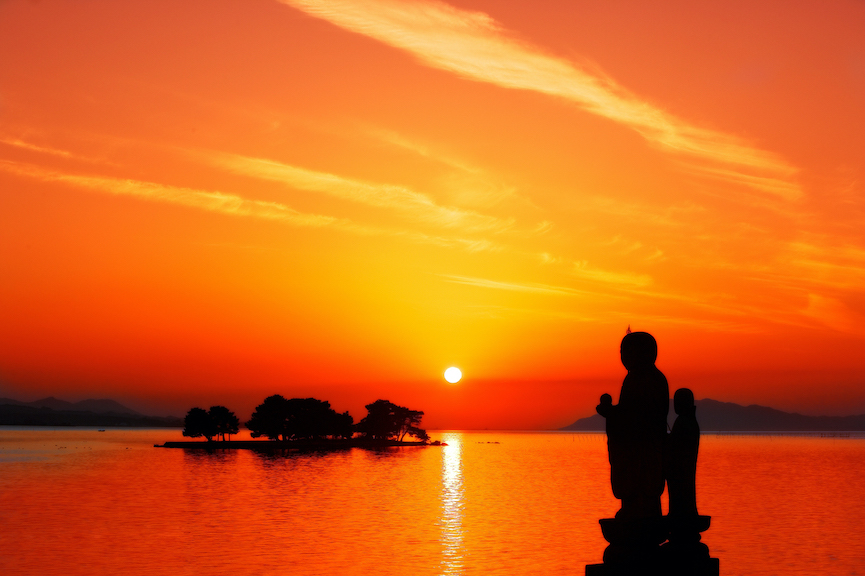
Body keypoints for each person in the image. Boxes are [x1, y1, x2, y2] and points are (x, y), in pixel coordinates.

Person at [597, 331, 669, 519]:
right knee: (634, 485)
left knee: (641, 484)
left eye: (629, 351)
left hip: (644, 447)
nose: (624, 356)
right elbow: (628, 411)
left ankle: (639, 512)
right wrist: (613, 412)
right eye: (622, 351)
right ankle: (632, 508)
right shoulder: (635, 378)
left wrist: (611, 413)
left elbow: (638, 416)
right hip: (637, 445)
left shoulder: (647, 379)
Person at [667, 388, 700, 518]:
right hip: (682, 468)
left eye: (678, 402)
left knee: (680, 493)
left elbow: (677, 444)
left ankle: (681, 514)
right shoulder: (688, 420)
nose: (675, 405)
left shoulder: (684, 421)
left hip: (681, 468)